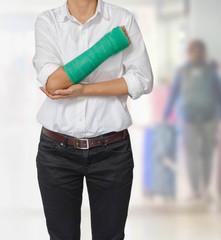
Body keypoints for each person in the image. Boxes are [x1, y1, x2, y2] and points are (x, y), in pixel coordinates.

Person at [33, 0, 153, 239]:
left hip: (112, 151)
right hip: (56, 152)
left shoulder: (123, 18)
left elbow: (142, 80)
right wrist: (110, 44)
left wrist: (83, 89)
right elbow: (54, 83)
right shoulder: (47, 21)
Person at [163, 40, 221, 200]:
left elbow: (173, 94)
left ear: (188, 52)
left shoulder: (182, 70)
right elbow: (220, 95)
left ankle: (195, 191)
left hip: (188, 117)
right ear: (205, 53)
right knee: (207, 153)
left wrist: (165, 115)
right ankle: (206, 189)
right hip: (209, 117)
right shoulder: (211, 70)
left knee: (191, 155)